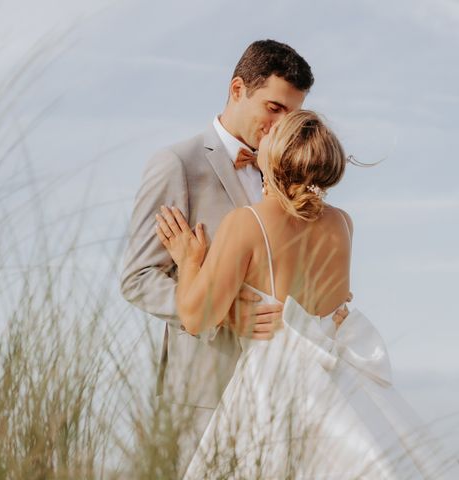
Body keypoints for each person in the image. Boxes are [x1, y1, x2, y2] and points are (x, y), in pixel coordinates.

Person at [156, 110, 459, 479]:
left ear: (275, 157)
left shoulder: (247, 223)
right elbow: (331, 303)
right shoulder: (342, 223)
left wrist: (189, 259)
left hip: (275, 383)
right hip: (343, 382)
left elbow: (196, 318)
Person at [120, 39, 350, 475]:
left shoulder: (288, 167)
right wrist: (222, 312)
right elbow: (138, 276)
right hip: (206, 388)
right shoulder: (177, 164)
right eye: (274, 108)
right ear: (238, 88)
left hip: (288, 388)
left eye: (293, 112)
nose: (281, 124)